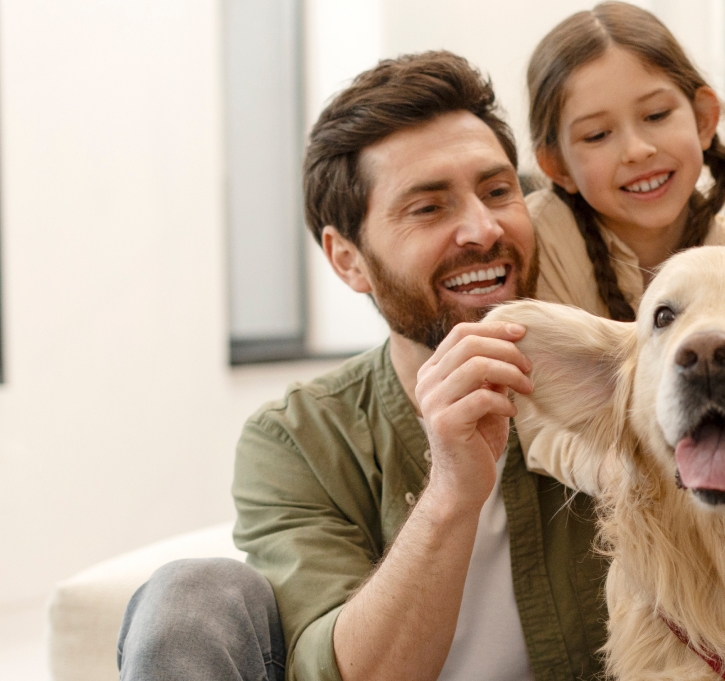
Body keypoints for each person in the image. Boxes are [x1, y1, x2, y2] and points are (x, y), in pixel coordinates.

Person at [116, 52, 610, 681]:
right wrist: (452, 492)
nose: (483, 229)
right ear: (348, 259)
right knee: (187, 596)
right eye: (429, 208)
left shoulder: (614, 389)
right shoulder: (298, 439)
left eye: (497, 191)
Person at [526, 1, 725, 323]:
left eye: (656, 115)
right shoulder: (531, 248)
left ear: (704, 119)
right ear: (558, 167)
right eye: (597, 135)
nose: (636, 150)